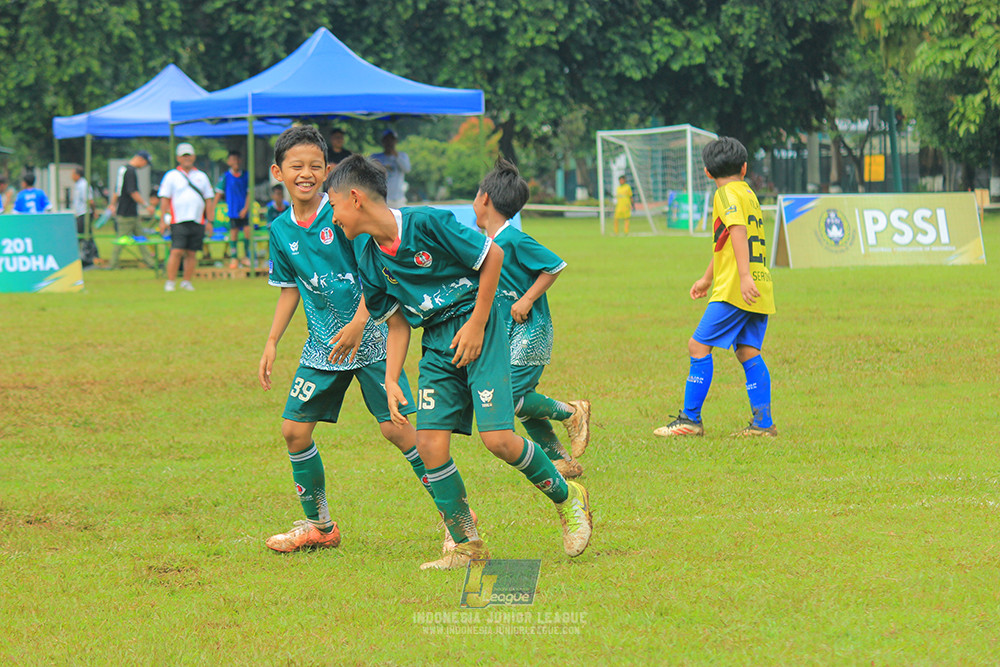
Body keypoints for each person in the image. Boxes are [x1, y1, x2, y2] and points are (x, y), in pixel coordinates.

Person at [329, 154, 594, 570]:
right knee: (431, 445)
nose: (332, 216)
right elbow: (396, 321)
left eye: (333, 204)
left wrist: (476, 324)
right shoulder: (366, 252)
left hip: (479, 327)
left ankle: (568, 496)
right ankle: (468, 545)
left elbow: (493, 259)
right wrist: (393, 377)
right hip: (436, 342)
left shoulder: (427, 223)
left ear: (356, 198)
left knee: (499, 440)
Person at [258, 125, 432, 554]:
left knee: (398, 428)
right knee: (294, 432)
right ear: (278, 172)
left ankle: (456, 519)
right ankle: (320, 527)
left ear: (328, 171)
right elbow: (289, 287)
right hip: (323, 346)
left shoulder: (340, 215)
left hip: (371, 337)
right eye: (296, 166)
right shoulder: (279, 229)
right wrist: (272, 341)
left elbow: (371, 274)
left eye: (315, 166)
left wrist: (359, 322)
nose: (306, 173)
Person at [474, 157, 590, 479]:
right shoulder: (491, 243)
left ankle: (571, 411)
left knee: (507, 397)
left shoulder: (514, 239)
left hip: (530, 332)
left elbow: (554, 265)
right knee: (522, 401)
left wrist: (527, 298)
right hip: (508, 335)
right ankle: (560, 460)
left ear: (485, 199)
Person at [654, 137, 777, 438]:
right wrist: (708, 277)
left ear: (708, 173)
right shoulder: (748, 193)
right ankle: (763, 424)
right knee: (748, 351)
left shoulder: (725, 194)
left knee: (697, 346)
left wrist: (743, 276)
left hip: (737, 287)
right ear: (745, 168)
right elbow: (726, 241)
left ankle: (690, 420)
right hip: (758, 284)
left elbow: (736, 230)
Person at [157, 143, 214, 292]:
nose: (187, 159)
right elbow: (164, 199)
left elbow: (209, 199)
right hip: (178, 220)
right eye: (184, 156)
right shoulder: (171, 176)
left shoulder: (201, 176)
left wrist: (210, 221)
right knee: (176, 251)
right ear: (178, 158)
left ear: (194, 157)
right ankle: (170, 281)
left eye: (189, 155)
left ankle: (187, 281)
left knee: (192, 252)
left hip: (197, 219)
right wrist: (162, 219)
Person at [108, 151, 156, 270]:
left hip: (129, 212)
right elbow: (132, 192)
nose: (144, 166)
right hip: (126, 213)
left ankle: (151, 263)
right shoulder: (130, 171)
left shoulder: (122, 169)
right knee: (121, 241)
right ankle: (112, 265)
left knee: (142, 239)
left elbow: (117, 190)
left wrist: (113, 204)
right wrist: (146, 205)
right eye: (145, 163)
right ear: (140, 159)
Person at [214, 150, 252, 269]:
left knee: (247, 232)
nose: (235, 162)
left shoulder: (246, 175)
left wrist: (246, 208)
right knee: (233, 234)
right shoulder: (226, 176)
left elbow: (249, 193)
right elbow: (218, 193)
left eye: (237, 159)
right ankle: (234, 258)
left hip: (244, 211)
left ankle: (246, 256)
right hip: (233, 211)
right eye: (233, 160)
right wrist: (211, 208)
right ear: (229, 162)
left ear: (240, 161)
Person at [370, 129, 410, 208]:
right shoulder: (375, 157)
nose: (389, 143)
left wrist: (396, 155)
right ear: (383, 142)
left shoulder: (402, 156)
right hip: (381, 199)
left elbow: (407, 169)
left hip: (398, 199)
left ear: (396, 141)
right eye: (387, 140)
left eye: (391, 140)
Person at [70, 166, 94, 234]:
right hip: (80, 214)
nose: (71, 176)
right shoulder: (78, 184)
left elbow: (89, 200)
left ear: (77, 175)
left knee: (81, 233)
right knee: (86, 234)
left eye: (73, 174)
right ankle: (90, 244)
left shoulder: (83, 185)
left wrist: (94, 211)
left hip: (84, 213)